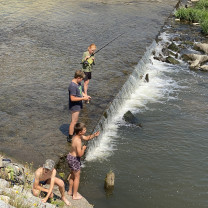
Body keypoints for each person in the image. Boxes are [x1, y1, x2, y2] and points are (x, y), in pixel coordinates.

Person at [67, 122, 100, 200]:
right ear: (80, 132)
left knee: (72, 175)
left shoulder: (77, 136)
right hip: (74, 159)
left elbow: (87, 138)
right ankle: (74, 195)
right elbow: (80, 154)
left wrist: (94, 135)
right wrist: (83, 149)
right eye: (84, 130)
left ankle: (69, 191)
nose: (86, 130)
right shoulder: (78, 141)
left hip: (70, 157)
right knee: (77, 177)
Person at [67, 70, 91, 142]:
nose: (82, 80)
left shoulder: (78, 83)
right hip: (74, 105)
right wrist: (83, 98)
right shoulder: (73, 86)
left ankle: (73, 133)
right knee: (73, 121)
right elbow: (72, 98)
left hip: (78, 104)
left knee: (75, 120)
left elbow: (81, 92)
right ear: (78, 77)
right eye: (81, 79)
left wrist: (86, 96)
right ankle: (70, 137)